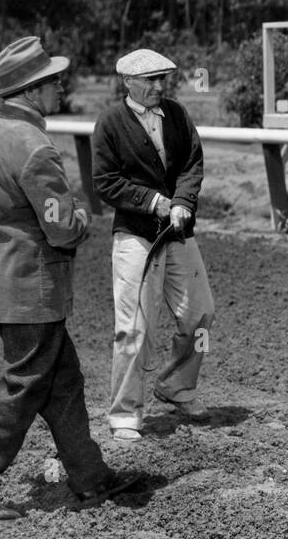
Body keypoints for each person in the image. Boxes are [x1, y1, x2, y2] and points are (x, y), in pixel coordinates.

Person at [0, 36, 138, 524]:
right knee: (23, 383)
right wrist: (82, 222)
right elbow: (61, 227)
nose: (61, 86)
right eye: (53, 81)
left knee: (62, 380)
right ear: (30, 91)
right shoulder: (33, 146)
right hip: (32, 289)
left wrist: (1, 234)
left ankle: (91, 478)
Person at [92, 48, 215, 441]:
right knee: (133, 329)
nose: (158, 87)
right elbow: (105, 181)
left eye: (162, 79)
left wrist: (181, 202)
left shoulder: (177, 115)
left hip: (178, 233)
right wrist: (154, 202)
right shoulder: (110, 123)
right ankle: (125, 413)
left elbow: (192, 163)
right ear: (127, 82)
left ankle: (177, 385)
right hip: (135, 236)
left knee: (200, 314)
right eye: (149, 80)